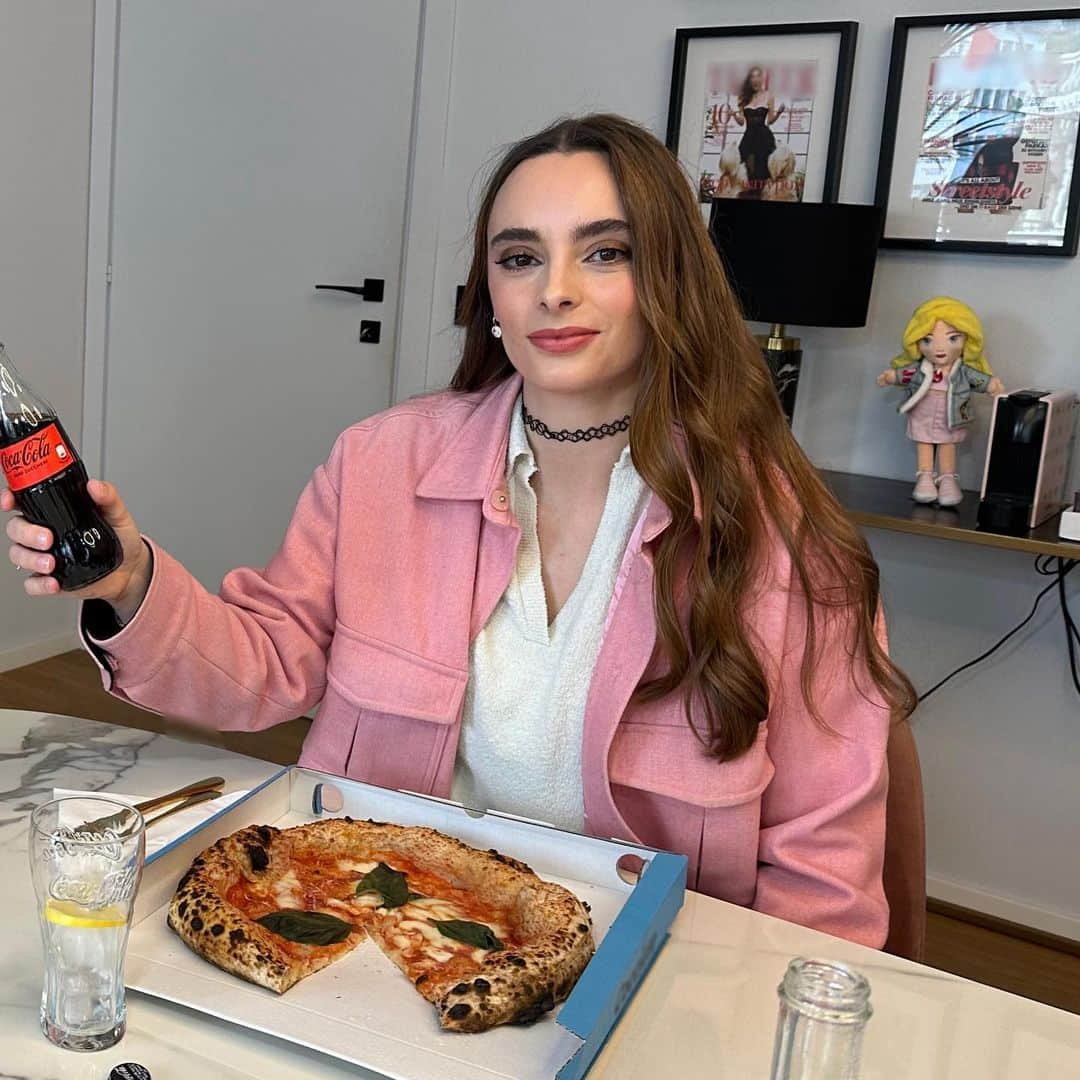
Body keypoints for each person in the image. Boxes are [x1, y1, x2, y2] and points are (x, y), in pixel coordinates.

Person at [5, 113, 914, 948]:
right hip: (374, 924)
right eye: (520, 258)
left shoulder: (788, 541)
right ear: (490, 293)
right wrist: (125, 582)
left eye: (604, 253)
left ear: (668, 278)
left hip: (646, 972)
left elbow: (821, 879)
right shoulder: (380, 464)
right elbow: (267, 666)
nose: (554, 291)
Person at [877, 296, 1004, 507]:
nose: (939, 348)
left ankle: (948, 480)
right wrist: (891, 376)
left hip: (951, 414)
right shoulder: (922, 368)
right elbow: (906, 374)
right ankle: (925, 478)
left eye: (952, 339)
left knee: (947, 444)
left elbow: (977, 378)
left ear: (966, 341)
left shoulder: (961, 370)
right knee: (924, 443)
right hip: (922, 413)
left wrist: (991, 384)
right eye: (927, 340)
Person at [732, 66, 786, 194]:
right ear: (749, 80)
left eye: (758, 76)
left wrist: (778, 113)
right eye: (753, 76)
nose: (755, 79)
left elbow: (770, 120)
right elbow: (741, 122)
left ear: (762, 79)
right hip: (749, 137)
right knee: (744, 167)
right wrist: (733, 115)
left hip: (764, 137)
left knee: (763, 169)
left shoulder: (768, 96)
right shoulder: (743, 97)